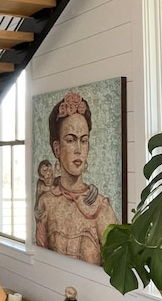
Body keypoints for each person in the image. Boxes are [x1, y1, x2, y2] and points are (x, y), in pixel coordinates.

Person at [35, 91, 118, 265]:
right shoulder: (47, 203)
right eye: (71, 140)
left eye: (84, 140)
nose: (79, 149)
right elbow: (40, 261)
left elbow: (117, 268)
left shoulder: (101, 208)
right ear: (57, 148)